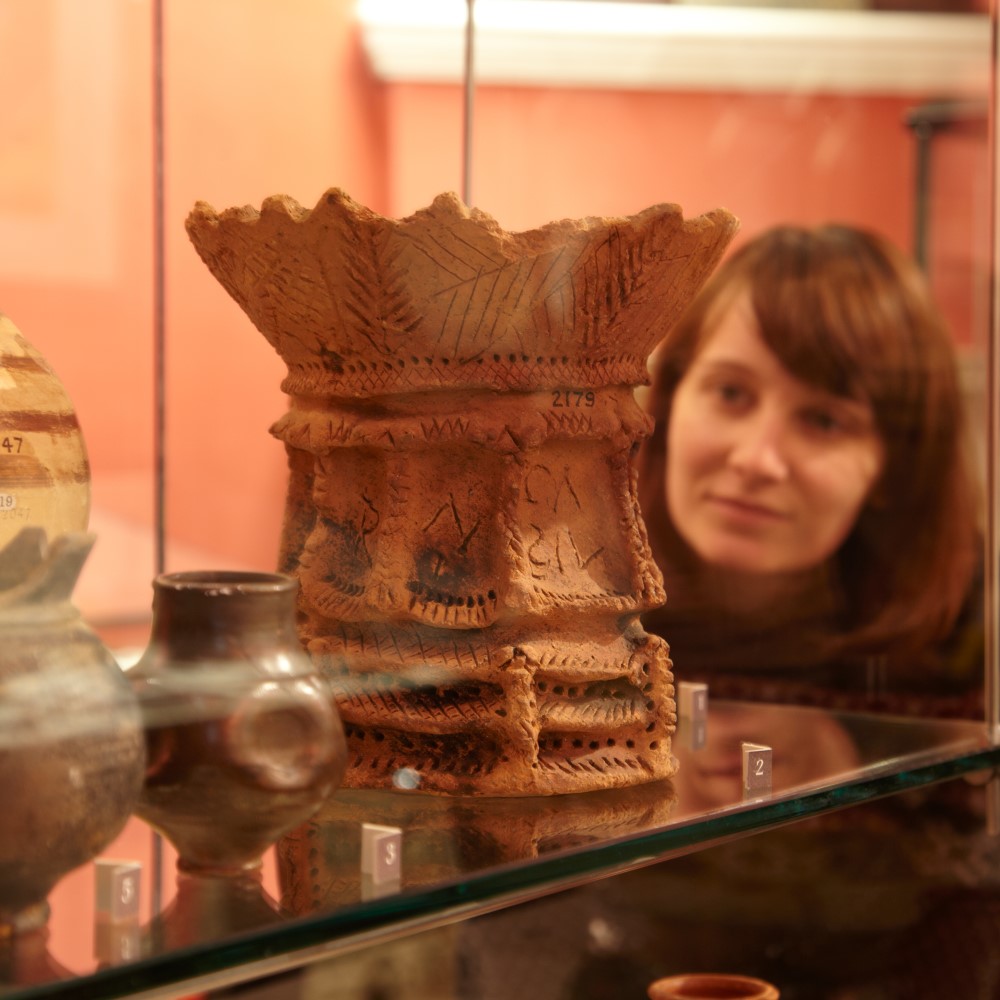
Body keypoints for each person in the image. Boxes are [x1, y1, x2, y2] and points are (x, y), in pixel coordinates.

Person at [637, 223, 983, 717]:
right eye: (731, 393)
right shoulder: (557, 594)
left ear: (897, 466)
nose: (757, 460)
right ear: (669, 404)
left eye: (824, 420)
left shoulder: (969, 630)